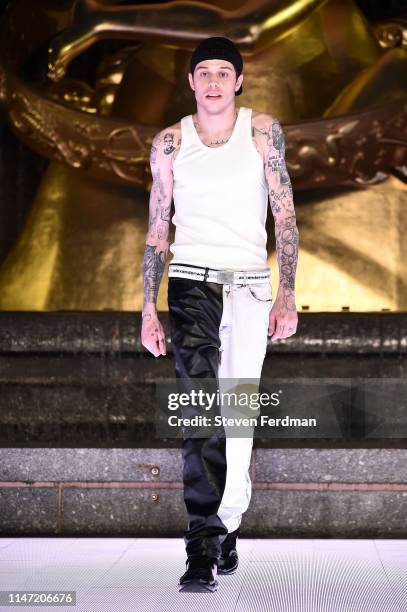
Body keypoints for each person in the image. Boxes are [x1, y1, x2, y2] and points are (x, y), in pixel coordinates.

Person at [141, 36, 299, 593]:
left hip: (251, 287)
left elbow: (285, 216)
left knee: (237, 414)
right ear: (190, 82)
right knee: (200, 409)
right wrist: (147, 310)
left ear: (237, 82)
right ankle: (202, 544)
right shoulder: (168, 144)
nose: (211, 81)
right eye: (202, 71)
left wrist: (287, 293)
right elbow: (159, 230)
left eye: (222, 72)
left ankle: (228, 523)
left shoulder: (262, 132)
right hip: (190, 287)